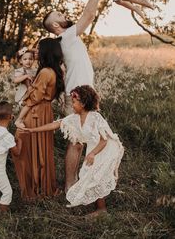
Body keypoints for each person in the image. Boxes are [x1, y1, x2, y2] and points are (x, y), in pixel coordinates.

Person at [18, 85, 124, 217]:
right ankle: (100, 207)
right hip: (95, 148)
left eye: (74, 102)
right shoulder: (74, 118)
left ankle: (101, 209)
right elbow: (56, 124)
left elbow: (104, 140)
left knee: (95, 175)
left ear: (83, 103)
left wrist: (92, 154)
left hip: (106, 148)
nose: (72, 105)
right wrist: (32, 130)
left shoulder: (95, 118)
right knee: (90, 174)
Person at [42, 0, 102, 192]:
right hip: (78, 95)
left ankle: (80, 181)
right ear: (56, 26)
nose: (63, 15)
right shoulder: (66, 36)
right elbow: (89, 14)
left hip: (84, 93)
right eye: (59, 15)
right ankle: (70, 185)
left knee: (84, 141)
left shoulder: (66, 39)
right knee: (76, 142)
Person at [12, 38, 65, 200]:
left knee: (26, 146)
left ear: (46, 52)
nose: (35, 51)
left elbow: (34, 97)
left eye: (38, 48)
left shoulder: (44, 72)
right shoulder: (55, 70)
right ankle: (41, 185)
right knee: (40, 146)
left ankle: (34, 188)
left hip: (36, 111)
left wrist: (19, 116)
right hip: (45, 111)